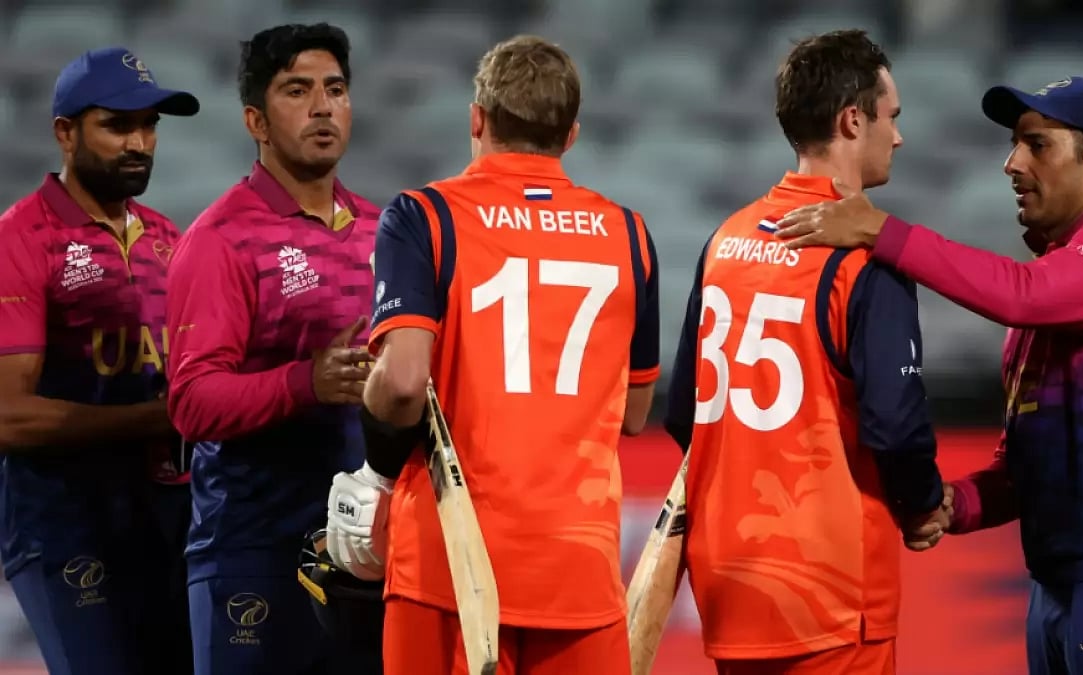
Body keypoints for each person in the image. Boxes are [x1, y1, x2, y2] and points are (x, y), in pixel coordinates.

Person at [772, 76, 1083, 675]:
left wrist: (880, 229)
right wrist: (958, 504)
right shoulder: (1061, 282)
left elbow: (1019, 295)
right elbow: (1025, 460)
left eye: (1037, 145)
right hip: (1060, 582)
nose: (1012, 164)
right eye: (1013, 145)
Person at [322, 34, 660, 675]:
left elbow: (400, 383)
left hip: (449, 567)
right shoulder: (630, 234)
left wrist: (373, 476)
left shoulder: (424, 216)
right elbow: (634, 412)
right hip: (578, 569)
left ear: (477, 119)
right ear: (571, 134)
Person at [662, 30, 950, 675]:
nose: (898, 136)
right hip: (830, 592)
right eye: (891, 117)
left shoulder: (724, 241)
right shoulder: (865, 258)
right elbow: (896, 426)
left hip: (730, 585)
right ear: (853, 120)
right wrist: (924, 505)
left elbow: (685, 416)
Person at [165, 23, 382, 675]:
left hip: (365, 554)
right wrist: (306, 383)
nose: (323, 107)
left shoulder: (386, 232)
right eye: (298, 90)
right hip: (250, 552)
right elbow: (192, 403)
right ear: (256, 121)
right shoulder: (220, 239)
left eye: (335, 89)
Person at [0, 47, 199, 675]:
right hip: (64, 525)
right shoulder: (18, 239)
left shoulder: (170, 238)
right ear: (65, 132)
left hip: (167, 518)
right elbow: (9, 416)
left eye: (149, 125)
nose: (139, 142)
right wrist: (155, 419)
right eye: (117, 125)